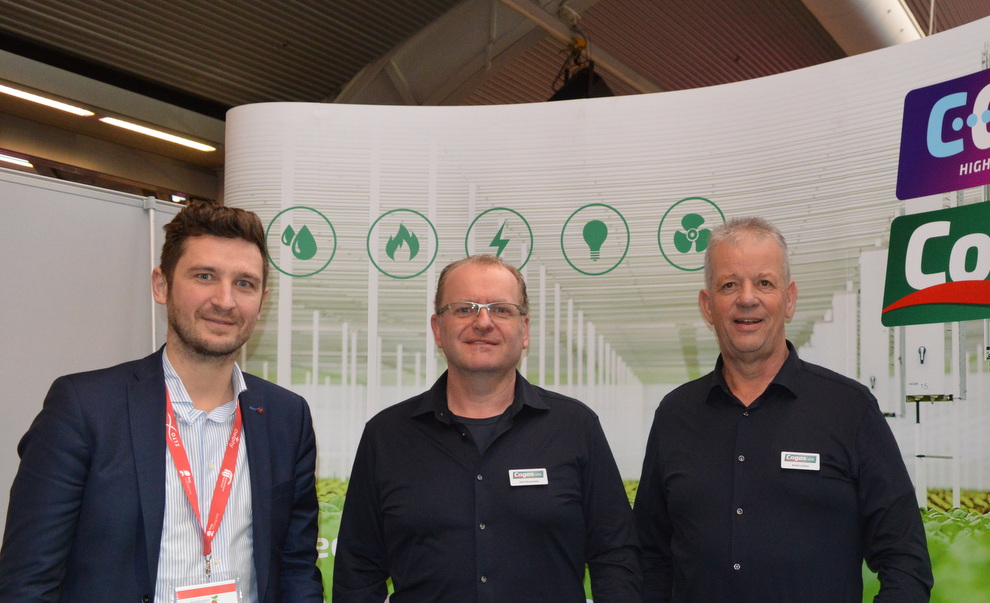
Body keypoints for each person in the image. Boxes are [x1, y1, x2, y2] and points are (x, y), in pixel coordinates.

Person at [0, 201, 324, 602]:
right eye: (205, 276)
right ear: (161, 285)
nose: (225, 300)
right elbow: (28, 581)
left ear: (261, 302)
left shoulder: (286, 417)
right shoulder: (85, 408)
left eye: (245, 283)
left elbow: (296, 569)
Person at [632, 217, 932, 602]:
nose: (747, 298)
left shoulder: (849, 408)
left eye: (764, 283)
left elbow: (905, 559)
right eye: (729, 285)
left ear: (789, 300)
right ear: (707, 307)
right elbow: (650, 556)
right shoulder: (675, 414)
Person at [333, 254, 641, 602]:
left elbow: (615, 557)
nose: (483, 322)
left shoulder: (575, 427)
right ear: (438, 329)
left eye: (501, 309)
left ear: (524, 331)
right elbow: (357, 573)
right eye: (464, 309)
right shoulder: (386, 435)